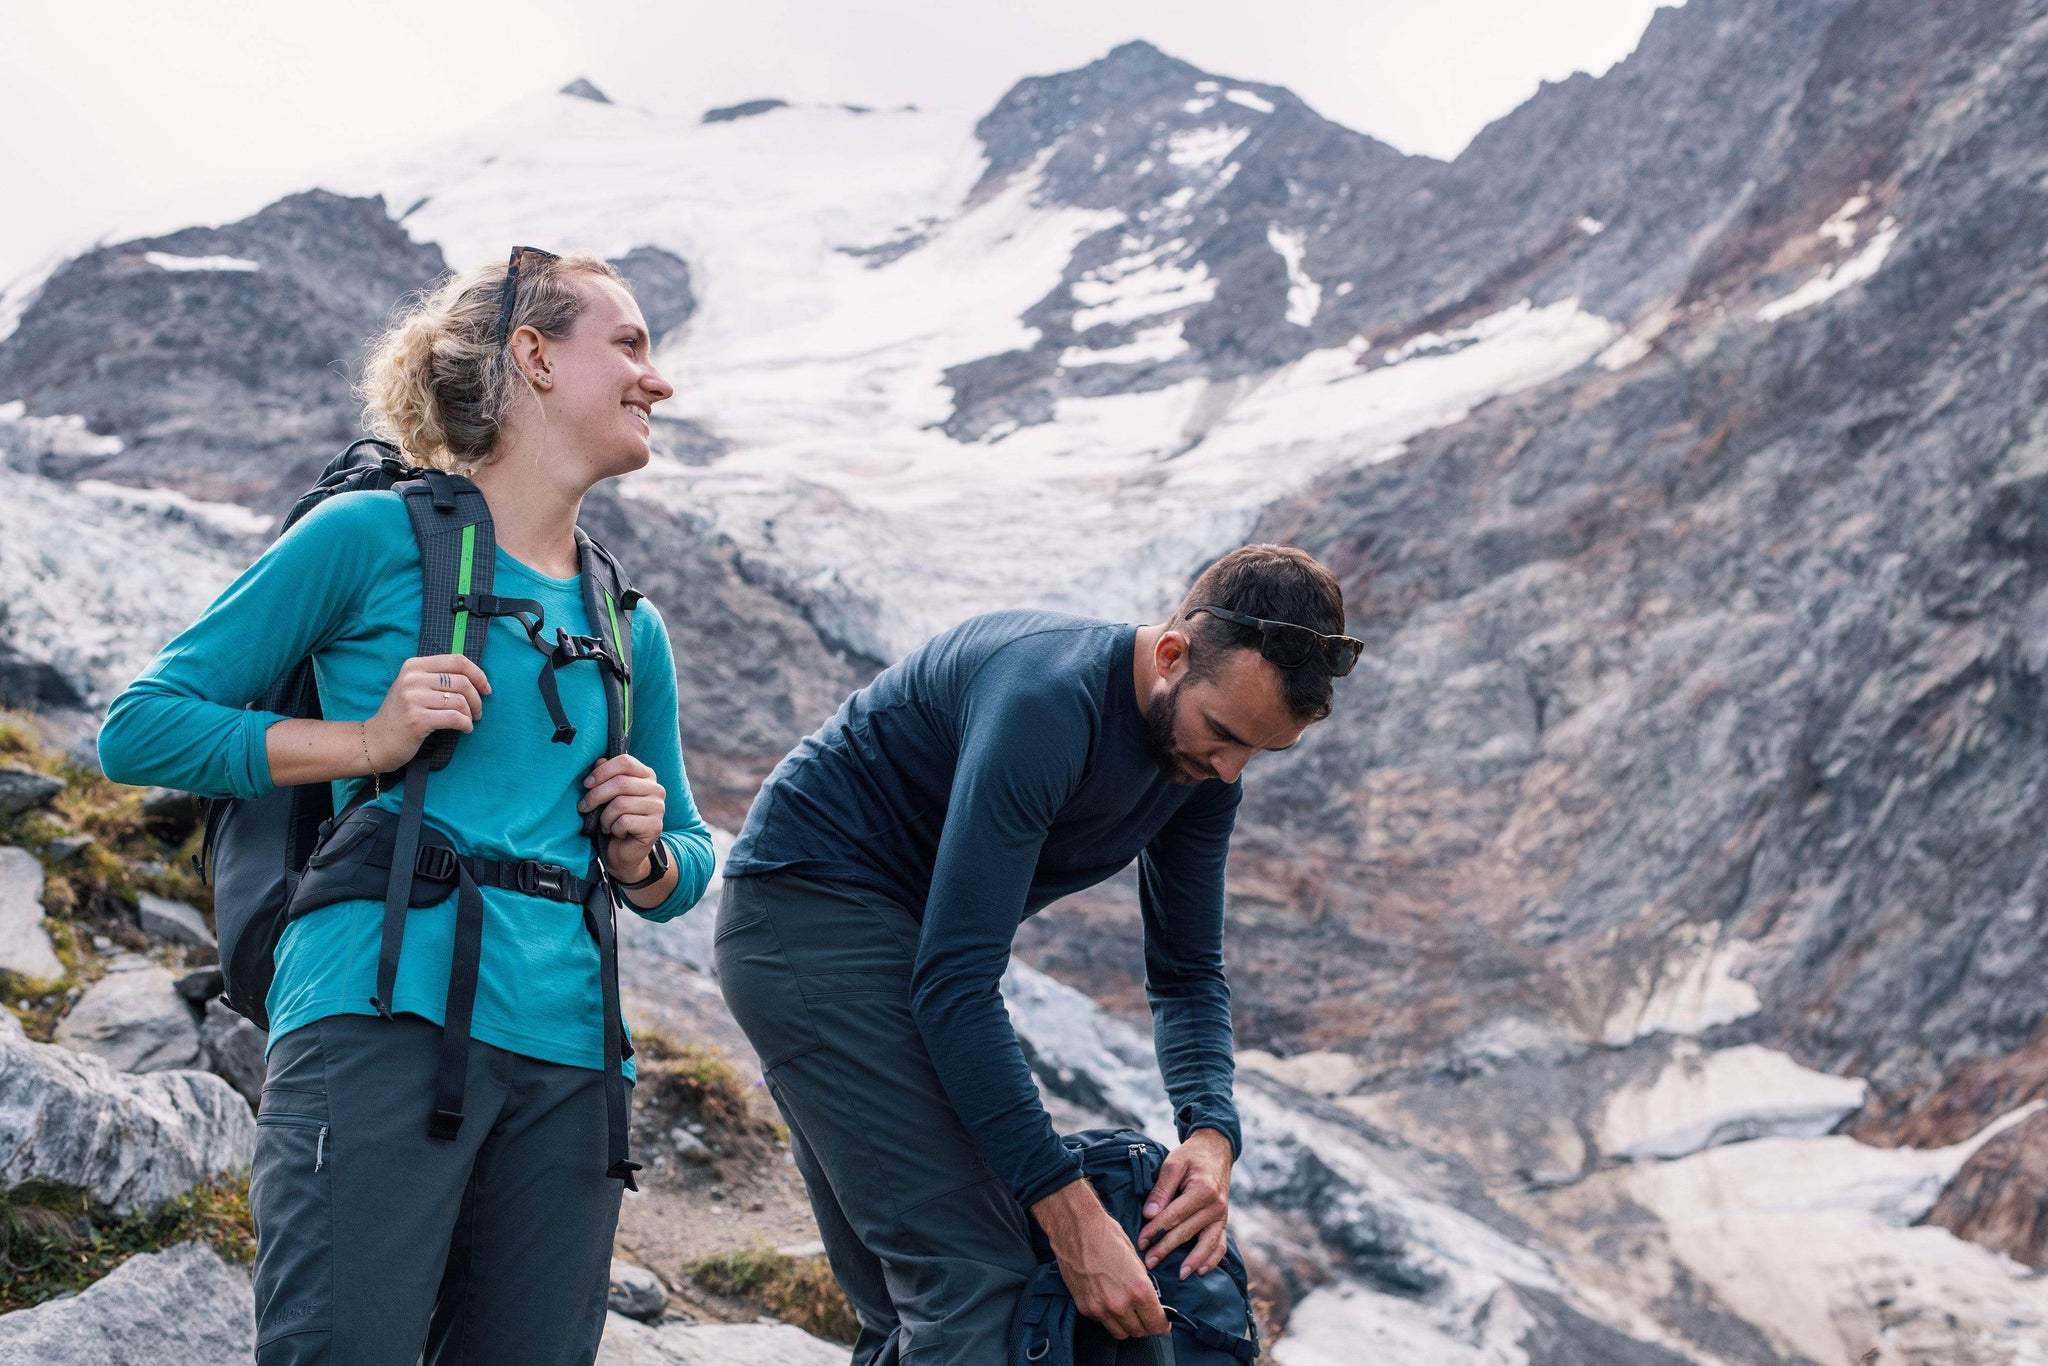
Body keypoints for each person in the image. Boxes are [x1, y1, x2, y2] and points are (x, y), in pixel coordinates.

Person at [98, 248, 716, 1365]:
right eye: (627, 345)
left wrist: (645, 854)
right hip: (378, 1011)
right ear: (532, 357)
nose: (654, 380)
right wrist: (367, 741)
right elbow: (141, 725)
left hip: (578, 1056)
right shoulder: (366, 538)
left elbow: (685, 863)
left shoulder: (630, 621)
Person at [716, 544, 1357, 1362]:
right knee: (975, 1282)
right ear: (1171, 655)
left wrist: (1211, 1135)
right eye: (1224, 734)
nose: (1229, 771)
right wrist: (1073, 1214)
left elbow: (1188, 973)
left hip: (898, 946)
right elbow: (955, 985)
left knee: (908, 1303)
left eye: (1259, 753)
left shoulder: (1203, 770)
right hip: (806, 918)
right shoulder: (1046, 700)